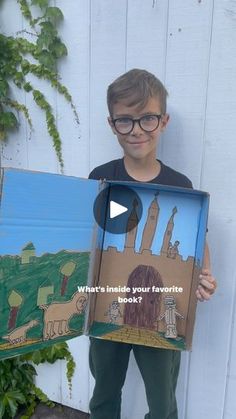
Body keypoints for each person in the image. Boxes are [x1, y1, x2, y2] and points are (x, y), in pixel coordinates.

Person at [88, 68, 217, 419]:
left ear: (163, 121)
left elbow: (196, 240)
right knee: (104, 393)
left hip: (159, 310)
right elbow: (89, 238)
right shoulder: (101, 179)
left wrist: (204, 275)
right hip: (106, 306)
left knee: (162, 402)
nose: (137, 130)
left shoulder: (181, 185)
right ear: (112, 124)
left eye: (147, 118)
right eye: (125, 121)